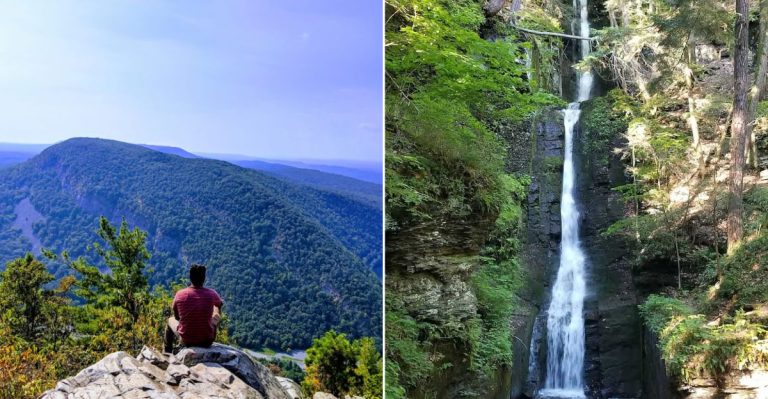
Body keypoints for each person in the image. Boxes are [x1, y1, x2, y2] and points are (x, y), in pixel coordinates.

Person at [164, 264, 224, 353]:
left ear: (190, 277)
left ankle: (167, 352)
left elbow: (177, 317)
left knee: (170, 320)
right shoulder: (212, 294)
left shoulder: (180, 294)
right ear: (204, 278)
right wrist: (215, 315)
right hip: (207, 341)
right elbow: (220, 304)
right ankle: (207, 331)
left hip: (187, 341)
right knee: (216, 310)